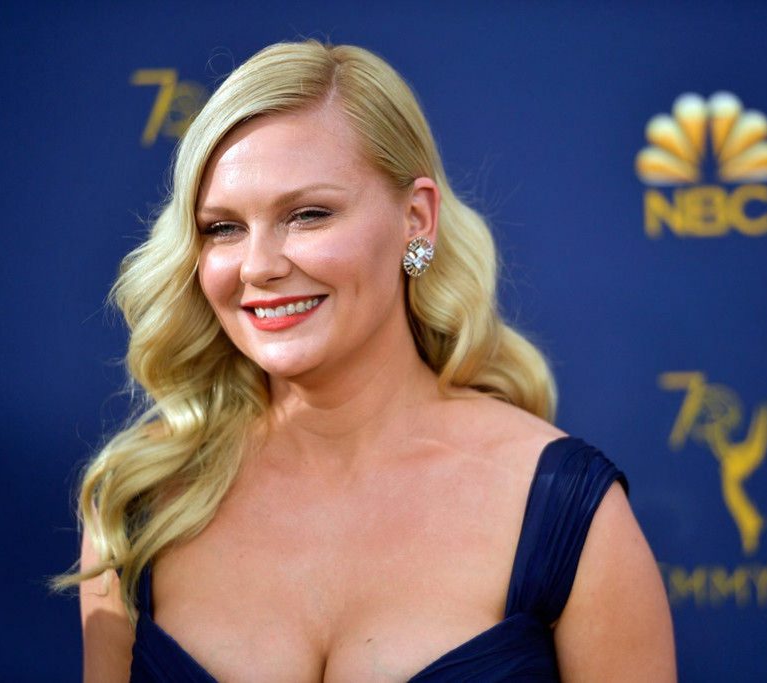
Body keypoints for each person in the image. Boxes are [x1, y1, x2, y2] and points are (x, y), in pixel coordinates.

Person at [56, 40, 676, 682]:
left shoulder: (563, 511)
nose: (258, 266)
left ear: (417, 219)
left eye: (308, 215)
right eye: (223, 228)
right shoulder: (140, 503)